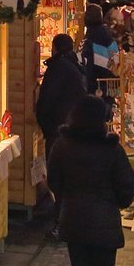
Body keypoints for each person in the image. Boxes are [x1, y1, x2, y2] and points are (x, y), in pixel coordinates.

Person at [46, 95, 134, 266]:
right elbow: (127, 185)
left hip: (73, 219)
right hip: (104, 221)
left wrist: (67, 200)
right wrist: (116, 203)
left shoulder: (62, 145)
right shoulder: (111, 149)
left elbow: (53, 180)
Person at [35, 34, 88, 218]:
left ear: (55, 47)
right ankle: (67, 217)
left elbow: (47, 100)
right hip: (72, 128)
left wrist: (44, 124)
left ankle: (61, 220)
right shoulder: (76, 66)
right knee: (68, 175)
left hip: (58, 130)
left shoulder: (58, 68)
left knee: (58, 176)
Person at [81, 3, 120, 93]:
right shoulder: (109, 37)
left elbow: (87, 68)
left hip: (95, 87)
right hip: (111, 85)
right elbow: (116, 61)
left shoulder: (89, 40)